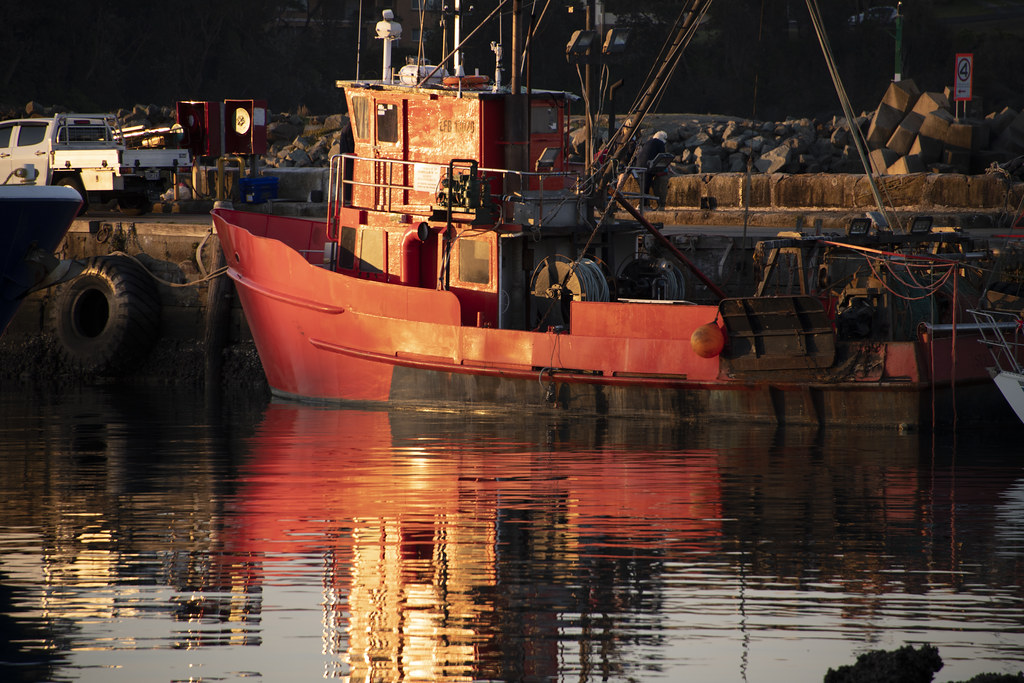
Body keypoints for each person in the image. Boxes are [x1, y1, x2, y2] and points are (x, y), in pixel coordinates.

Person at [636, 130, 668, 195]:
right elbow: (663, 157)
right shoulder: (660, 143)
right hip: (648, 167)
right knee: (646, 188)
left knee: (643, 187)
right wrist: (667, 168)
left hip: (638, 165)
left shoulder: (648, 142)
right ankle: (644, 200)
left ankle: (643, 200)